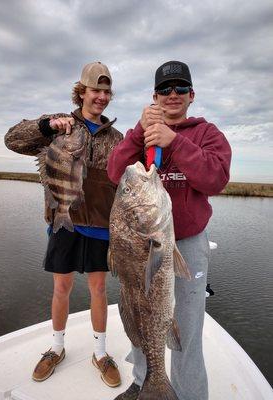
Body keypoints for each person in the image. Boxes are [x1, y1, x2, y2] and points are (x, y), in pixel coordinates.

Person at [107, 60, 232, 400]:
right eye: (165, 89)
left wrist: (174, 142)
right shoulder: (142, 132)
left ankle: (188, 394)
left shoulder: (207, 134)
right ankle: (143, 382)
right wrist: (137, 133)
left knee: (186, 331)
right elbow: (116, 173)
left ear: (191, 95)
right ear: (154, 96)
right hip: (139, 246)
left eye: (179, 88)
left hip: (187, 243)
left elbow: (216, 179)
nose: (172, 95)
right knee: (140, 315)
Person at [4, 61, 122, 387]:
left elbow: (129, 181)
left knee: (98, 290)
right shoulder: (62, 124)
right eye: (95, 90)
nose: (100, 96)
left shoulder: (117, 138)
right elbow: (12, 139)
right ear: (81, 91)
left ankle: (100, 353)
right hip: (62, 218)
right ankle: (56, 348)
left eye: (106, 91)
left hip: (100, 226)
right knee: (61, 288)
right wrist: (46, 126)